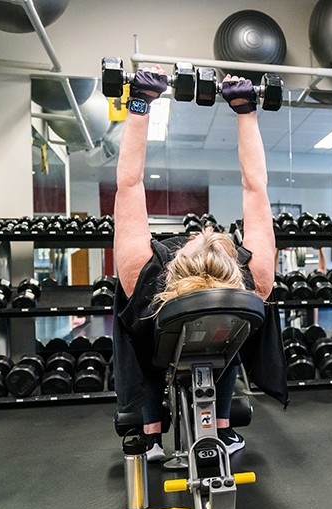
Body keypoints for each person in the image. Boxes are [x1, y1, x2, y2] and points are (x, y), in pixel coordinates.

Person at [111, 67, 276, 460]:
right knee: (234, 323)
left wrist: (139, 103)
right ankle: (222, 426)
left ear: (178, 259)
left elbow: (129, 184)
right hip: (226, 321)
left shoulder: (145, 276)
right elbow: (256, 188)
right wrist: (245, 110)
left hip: (155, 331)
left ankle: (146, 428)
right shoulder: (254, 282)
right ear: (233, 263)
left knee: (127, 311)